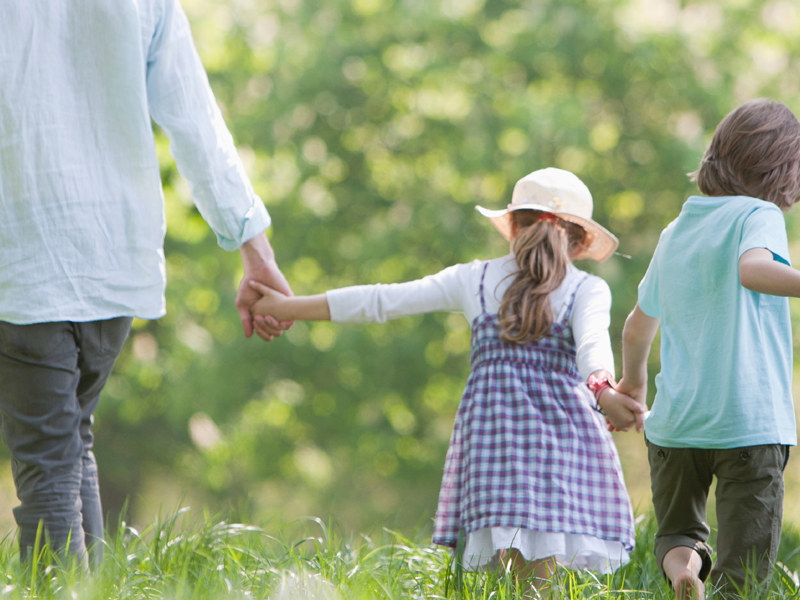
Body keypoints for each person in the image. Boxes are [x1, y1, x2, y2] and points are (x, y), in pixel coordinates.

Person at [249, 168, 641, 594]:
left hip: (494, 443)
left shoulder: (472, 279)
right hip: (561, 444)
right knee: (541, 581)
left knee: (503, 580)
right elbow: (592, 350)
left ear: (511, 225)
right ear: (581, 241)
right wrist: (603, 392)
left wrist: (288, 307)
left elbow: (382, 300)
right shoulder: (587, 289)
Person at [0, 0, 291, 569]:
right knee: (69, 442)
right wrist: (253, 246)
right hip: (115, 248)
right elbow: (196, 119)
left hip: (25, 244)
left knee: (47, 460)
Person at [617, 98, 800, 600]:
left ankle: (684, 571)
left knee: (677, 533)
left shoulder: (676, 231)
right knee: (745, 566)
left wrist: (631, 383)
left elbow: (637, 324)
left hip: (676, 426)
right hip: (749, 422)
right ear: (782, 168)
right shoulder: (758, 214)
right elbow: (753, 269)